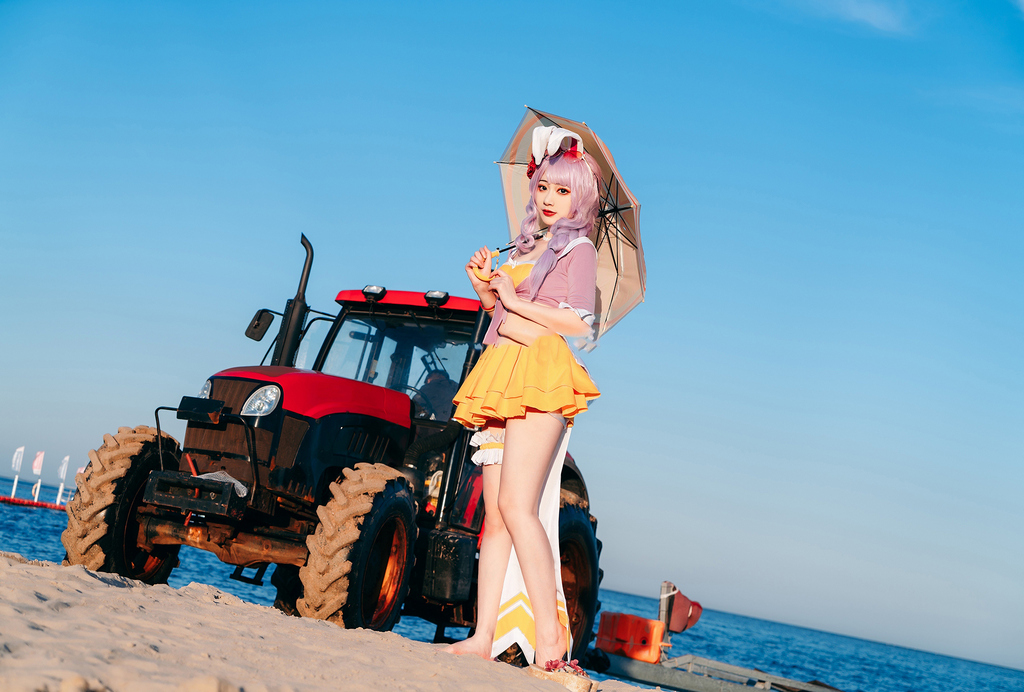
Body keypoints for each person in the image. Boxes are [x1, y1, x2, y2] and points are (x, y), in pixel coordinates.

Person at [445, 126, 601, 666]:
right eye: (544, 187)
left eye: (563, 190)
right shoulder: (525, 247)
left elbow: (579, 325)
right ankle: (482, 636)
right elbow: (502, 320)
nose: (550, 198)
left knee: (518, 505)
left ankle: (552, 641)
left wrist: (512, 299)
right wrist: (487, 292)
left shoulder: (580, 248)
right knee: (494, 516)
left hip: (540, 370)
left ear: (581, 196)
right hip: (501, 370)